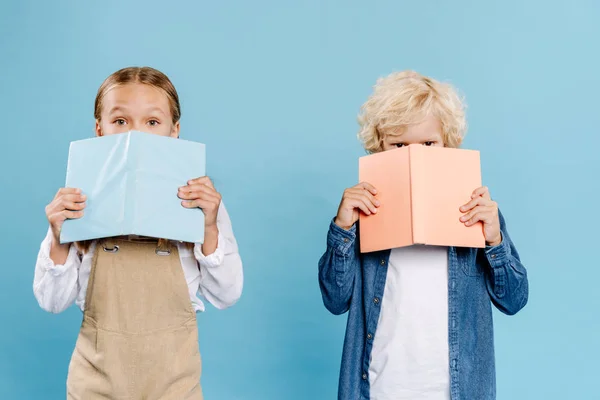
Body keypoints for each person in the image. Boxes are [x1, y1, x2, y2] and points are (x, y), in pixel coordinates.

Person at [33, 66, 243, 400]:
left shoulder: (200, 202)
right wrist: (58, 235)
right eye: (120, 121)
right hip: (95, 384)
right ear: (98, 129)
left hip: (175, 385)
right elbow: (51, 301)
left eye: (152, 122)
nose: (135, 134)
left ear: (175, 131)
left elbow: (227, 294)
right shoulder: (77, 200)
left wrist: (209, 225)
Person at [318, 70, 528, 400]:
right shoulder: (360, 214)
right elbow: (334, 300)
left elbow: (514, 301)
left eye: (429, 143)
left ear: (448, 144)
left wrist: (495, 242)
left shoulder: (477, 210)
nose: (415, 155)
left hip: (456, 391)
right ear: (380, 147)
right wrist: (342, 229)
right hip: (377, 388)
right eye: (399, 145)